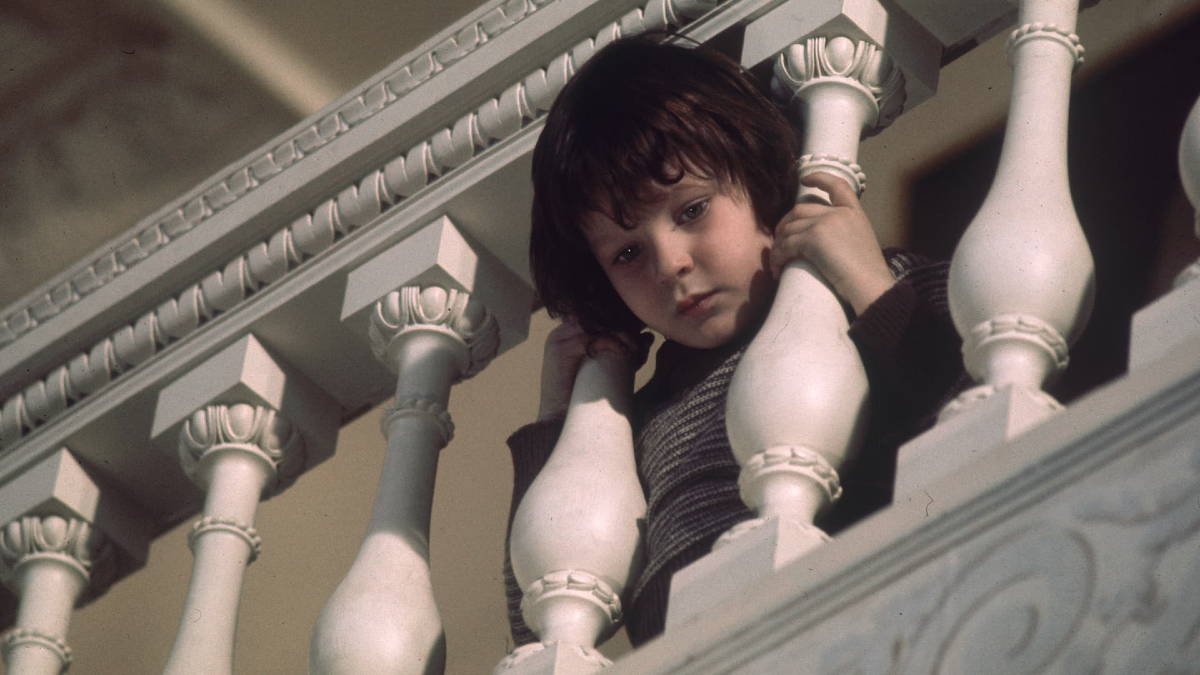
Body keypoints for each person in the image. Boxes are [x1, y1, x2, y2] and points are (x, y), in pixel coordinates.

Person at [504, 35, 966, 648]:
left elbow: (974, 408)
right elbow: (543, 621)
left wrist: (869, 284)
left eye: (692, 210)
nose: (669, 263)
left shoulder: (872, 294)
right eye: (628, 253)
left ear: (756, 178)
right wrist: (558, 419)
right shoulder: (637, 420)